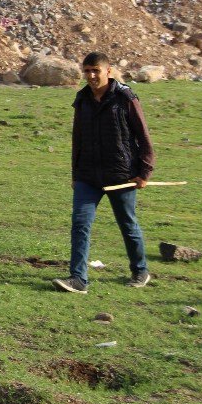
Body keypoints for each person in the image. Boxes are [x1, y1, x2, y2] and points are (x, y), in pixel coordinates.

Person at [53, 52, 155, 294]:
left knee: (127, 224)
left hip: (121, 175)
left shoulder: (125, 98)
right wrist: (75, 174)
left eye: (95, 70)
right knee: (80, 223)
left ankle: (140, 270)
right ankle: (78, 279)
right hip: (87, 176)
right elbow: (77, 139)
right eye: (86, 70)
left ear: (108, 71)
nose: (90, 76)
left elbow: (143, 137)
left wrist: (144, 172)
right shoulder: (82, 100)